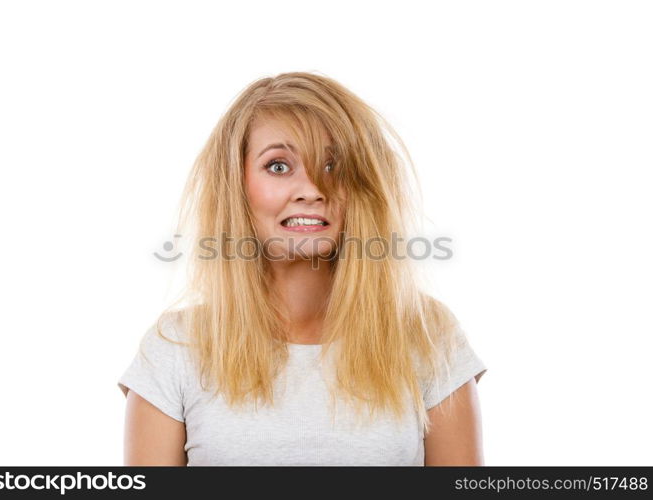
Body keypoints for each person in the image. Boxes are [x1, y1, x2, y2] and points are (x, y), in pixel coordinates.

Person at [118, 71, 487, 466]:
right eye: (278, 166)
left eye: (333, 165)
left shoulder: (428, 336)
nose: (311, 189)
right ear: (236, 184)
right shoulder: (174, 349)